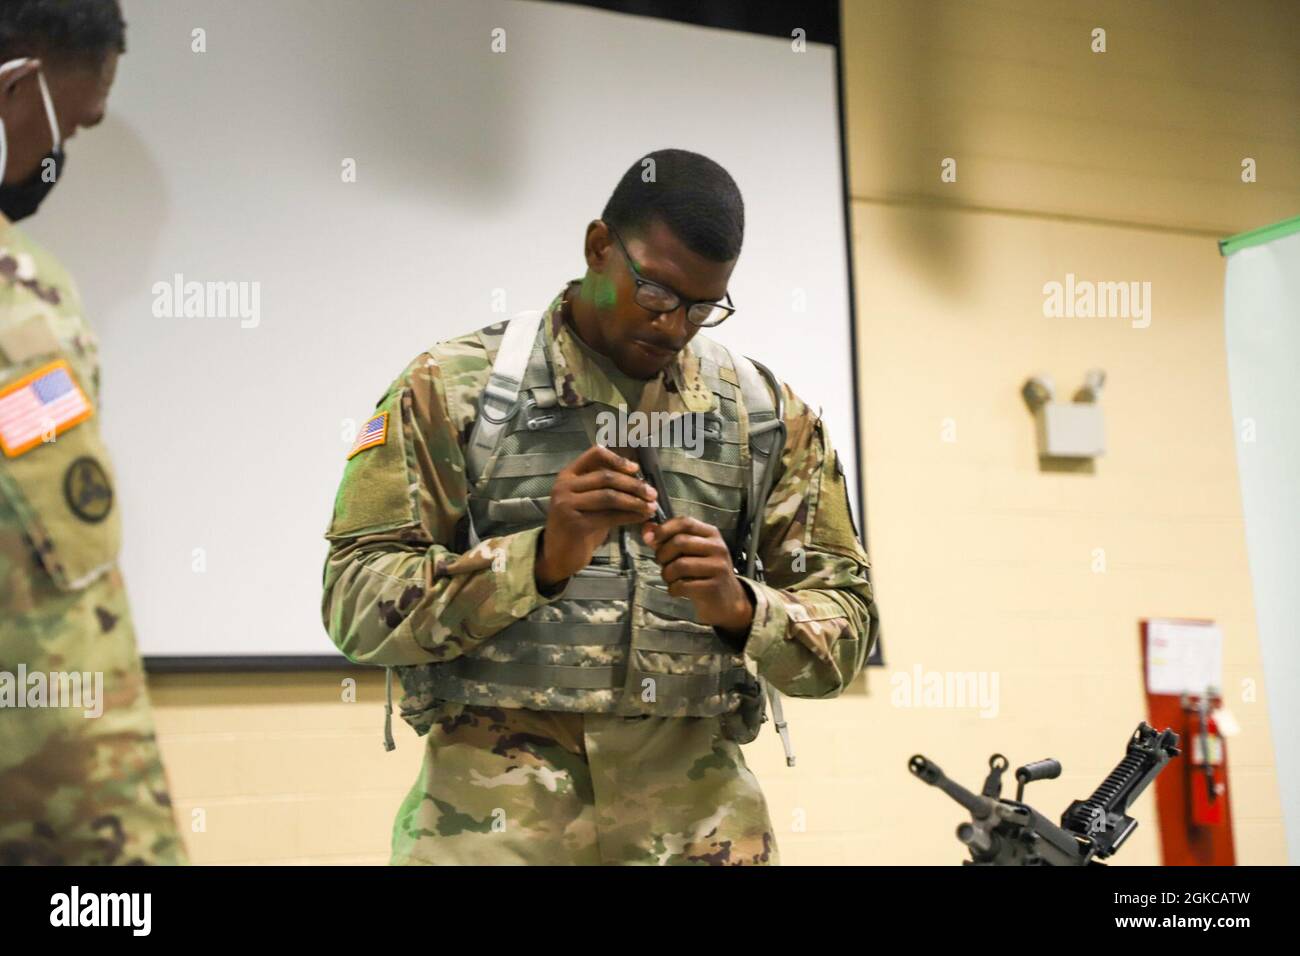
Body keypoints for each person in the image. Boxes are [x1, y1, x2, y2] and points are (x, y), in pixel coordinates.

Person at [322, 148, 878, 865]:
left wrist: (743, 608)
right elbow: (353, 605)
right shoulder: (456, 389)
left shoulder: (763, 417)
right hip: (494, 825)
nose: (675, 326)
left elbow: (847, 628)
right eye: (654, 293)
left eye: (703, 307)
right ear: (598, 248)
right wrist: (536, 561)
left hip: (698, 825)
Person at [0, 0, 187, 866]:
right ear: (19, 80)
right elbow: (56, 622)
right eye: (69, 128)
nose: (59, 153)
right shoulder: (18, 300)